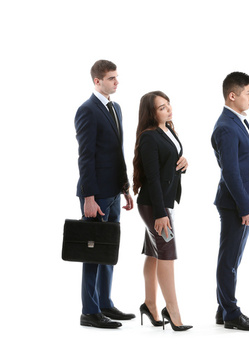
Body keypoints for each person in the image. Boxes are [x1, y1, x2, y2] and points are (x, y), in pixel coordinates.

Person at [74, 59, 135, 329]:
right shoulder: (86, 110)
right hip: (95, 194)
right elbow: (85, 157)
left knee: (108, 250)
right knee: (93, 252)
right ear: (97, 81)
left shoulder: (116, 108)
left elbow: (117, 153)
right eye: (111, 78)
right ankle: (90, 311)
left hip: (113, 190)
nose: (117, 82)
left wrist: (125, 188)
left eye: (117, 77)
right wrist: (88, 197)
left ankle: (105, 303)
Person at [133, 91, 192, 331]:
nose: (168, 110)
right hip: (154, 205)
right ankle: (173, 311)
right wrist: (160, 214)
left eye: (168, 105)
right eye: (161, 107)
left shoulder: (168, 130)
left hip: (164, 202)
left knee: (154, 253)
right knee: (167, 255)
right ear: (151, 112)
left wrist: (183, 164)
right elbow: (153, 177)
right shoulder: (148, 137)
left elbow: (170, 163)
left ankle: (149, 303)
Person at [211, 71, 249, 331]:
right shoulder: (226, 126)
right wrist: (245, 206)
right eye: (247, 93)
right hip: (235, 203)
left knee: (233, 259)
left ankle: (223, 309)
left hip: (243, 201)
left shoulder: (238, 121)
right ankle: (231, 313)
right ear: (232, 96)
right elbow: (230, 172)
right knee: (229, 260)